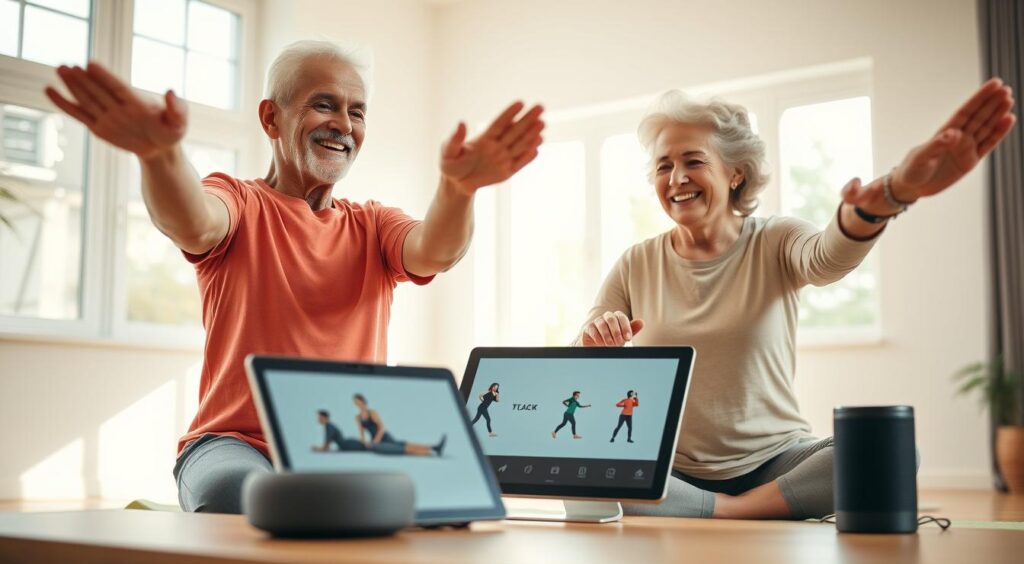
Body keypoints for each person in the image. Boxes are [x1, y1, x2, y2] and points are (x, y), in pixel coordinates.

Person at [43, 40, 543, 513]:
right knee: (251, 497)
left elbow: (435, 250)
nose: (343, 124)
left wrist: (459, 190)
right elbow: (193, 221)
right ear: (271, 117)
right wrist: (160, 157)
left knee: (448, 498)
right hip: (236, 446)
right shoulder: (239, 200)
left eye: (357, 111)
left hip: (347, 449)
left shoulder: (373, 224)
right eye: (324, 105)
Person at [576, 80, 1016, 520]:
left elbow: (827, 257)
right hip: (673, 468)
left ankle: (728, 509)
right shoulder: (636, 262)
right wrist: (595, 339)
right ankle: (740, 510)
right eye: (663, 166)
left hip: (774, 463)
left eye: (693, 161)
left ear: (736, 173)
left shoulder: (775, 239)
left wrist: (889, 196)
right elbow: (578, 358)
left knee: (891, 448)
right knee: (589, 467)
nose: (677, 178)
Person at [352, 394, 446, 456]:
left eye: (358, 401)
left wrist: (376, 440)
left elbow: (381, 427)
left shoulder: (372, 413)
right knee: (403, 448)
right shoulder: (358, 417)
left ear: (363, 401)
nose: (357, 403)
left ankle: (434, 447)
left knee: (404, 445)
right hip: (376, 441)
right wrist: (363, 443)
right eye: (355, 402)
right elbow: (361, 433)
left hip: (384, 436)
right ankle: (433, 451)